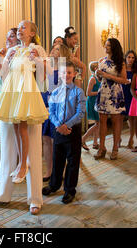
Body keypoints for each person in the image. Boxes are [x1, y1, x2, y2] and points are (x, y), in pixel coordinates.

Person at [0, 20, 47, 215]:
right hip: (10, 102)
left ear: (30, 33)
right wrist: (4, 60)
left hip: (29, 102)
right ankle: (0, 194)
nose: (13, 36)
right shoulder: (12, 52)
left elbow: (46, 79)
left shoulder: (36, 49)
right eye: (13, 33)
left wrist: (38, 60)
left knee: (33, 153)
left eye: (20, 29)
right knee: (6, 151)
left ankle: (35, 199)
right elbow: (0, 80)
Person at [42, 61, 86, 204]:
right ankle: (54, 185)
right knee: (57, 158)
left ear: (74, 74)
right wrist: (59, 125)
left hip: (73, 130)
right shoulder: (55, 92)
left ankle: (69, 190)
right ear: (59, 74)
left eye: (69, 72)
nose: (66, 75)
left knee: (72, 161)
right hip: (58, 130)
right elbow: (51, 111)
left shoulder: (78, 92)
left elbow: (80, 113)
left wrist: (67, 125)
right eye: (63, 72)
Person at [94, 38, 130, 161]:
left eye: (108, 45)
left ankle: (115, 148)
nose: (106, 46)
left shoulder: (120, 62)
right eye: (106, 44)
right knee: (102, 121)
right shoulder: (101, 60)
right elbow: (100, 79)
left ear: (113, 47)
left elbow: (124, 80)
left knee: (116, 121)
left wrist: (107, 75)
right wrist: (98, 75)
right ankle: (102, 147)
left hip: (115, 92)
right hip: (103, 91)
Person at [42, 43, 68, 181]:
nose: (53, 50)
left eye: (57, 49)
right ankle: (48, 170)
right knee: (45, 139)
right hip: (45, 103)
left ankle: (60, 170)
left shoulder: (64, 69)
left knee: (56, 140)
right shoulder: (47, 66)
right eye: (53, 47)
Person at [0, 28, 19, 93]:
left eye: (12, 36)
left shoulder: (20, 55)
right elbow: (0, 75)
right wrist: (1, 57)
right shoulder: (5, 55)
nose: (7, 39)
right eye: (7, 37)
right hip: (2, 92)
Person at [82, 61, 100, 151]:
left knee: (98, 123)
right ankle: (83, 138)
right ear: (96, 69)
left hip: (97, 102)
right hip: (92, 102)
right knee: (98, 124)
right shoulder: (93, 79)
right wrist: (99, 92)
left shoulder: (99, 78)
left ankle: (95, 142)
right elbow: (88, 93)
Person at [122, 50, 137, 148]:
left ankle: (131, 139)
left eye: (132, 58)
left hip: (131, 95)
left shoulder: (135, 71)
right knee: (119, 118)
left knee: (131, 119)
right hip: (122, 94)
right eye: (129, 57)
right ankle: (118, 138)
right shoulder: (121, 69)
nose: (130, 59)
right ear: (125, 58)